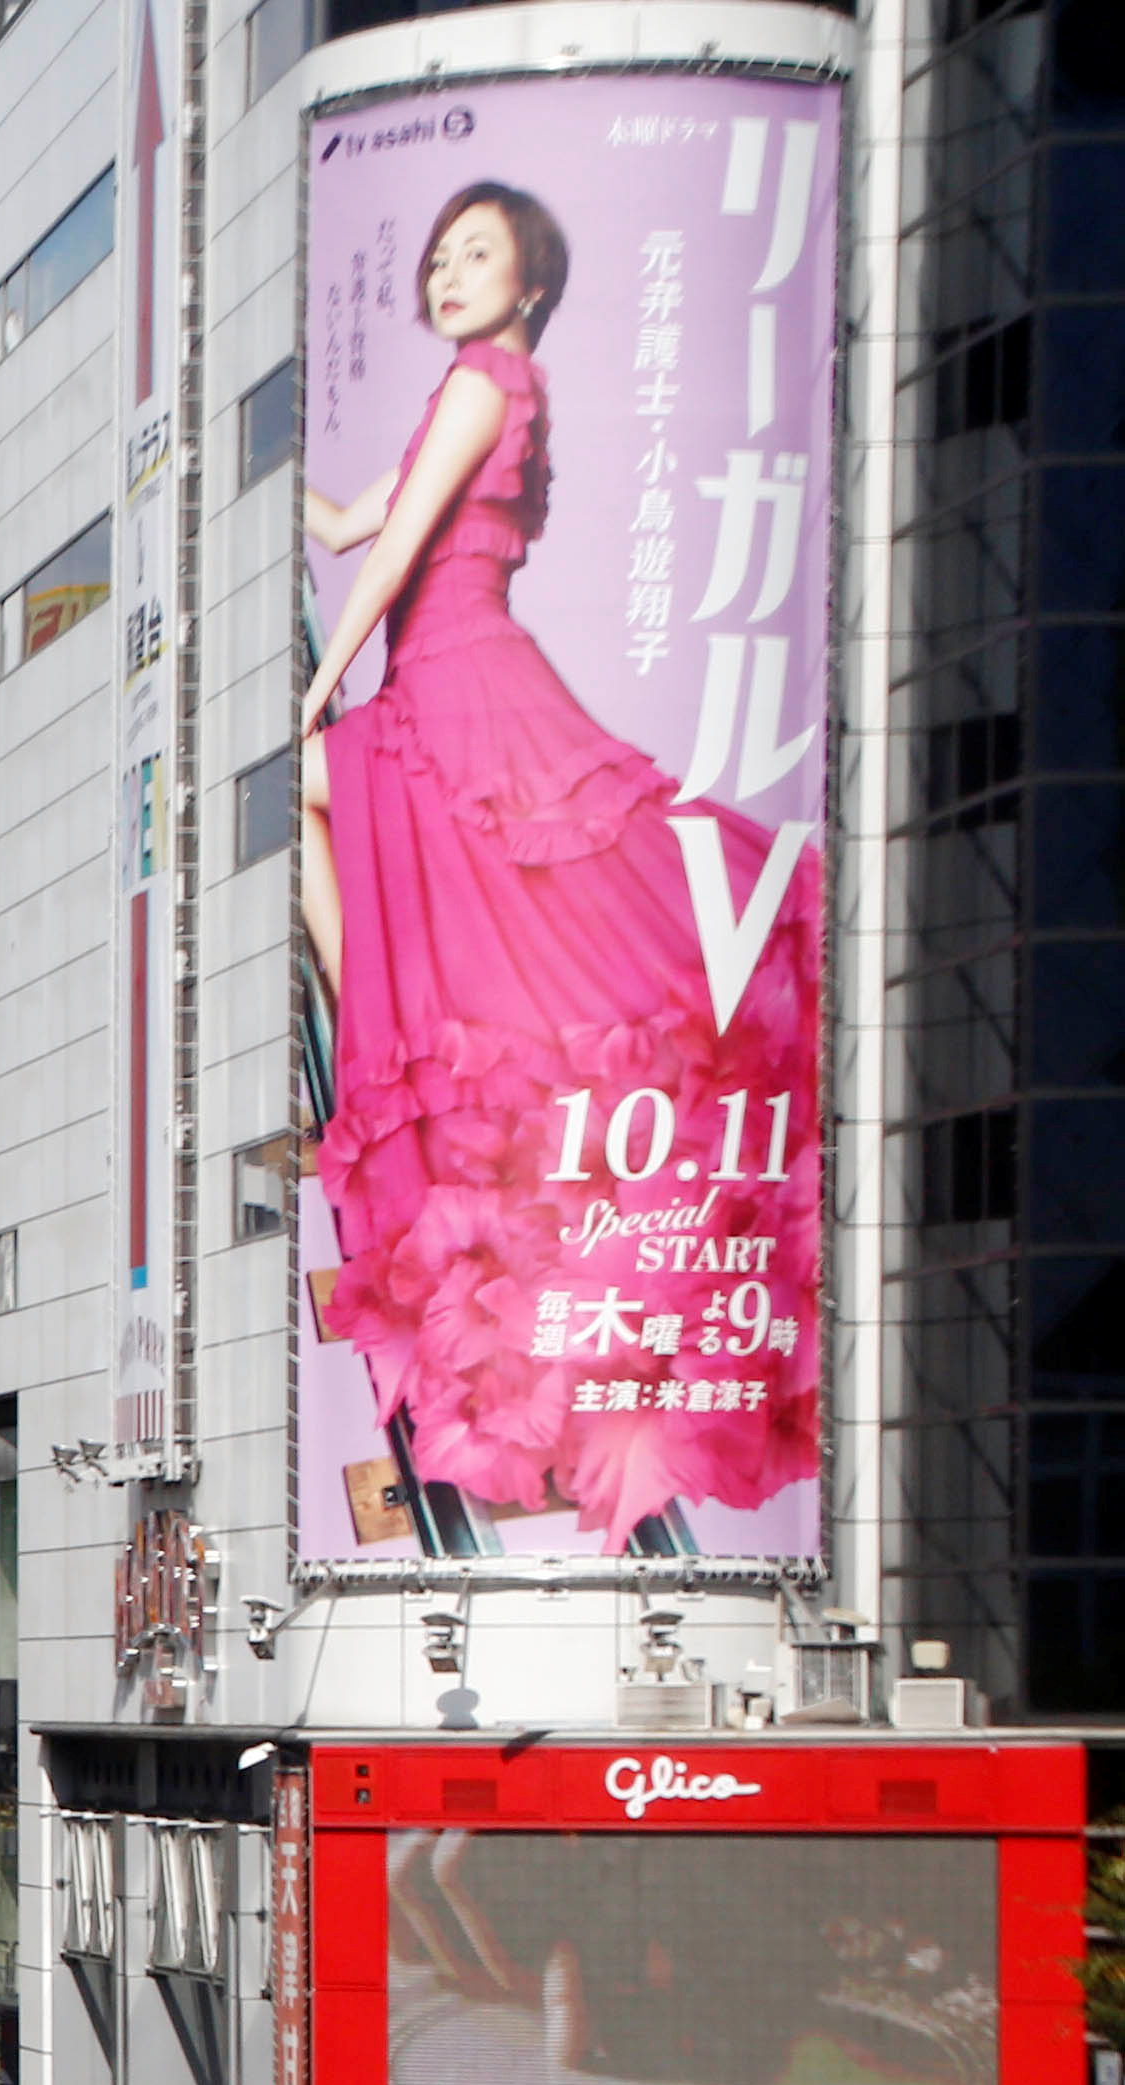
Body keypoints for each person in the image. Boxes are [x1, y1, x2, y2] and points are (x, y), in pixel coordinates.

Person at [295, 177, 819, 1551]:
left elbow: (389, 554)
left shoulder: (481, 377)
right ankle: (381, 1061)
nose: (449, 270)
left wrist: (317, 690)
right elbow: (352, 519)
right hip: (452, 681)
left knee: (462, 904)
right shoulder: (482, 390)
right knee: (513, 950)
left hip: (457, 686)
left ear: (528, 281)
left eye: (480, 251)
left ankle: (370, 1061)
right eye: (440, 252)